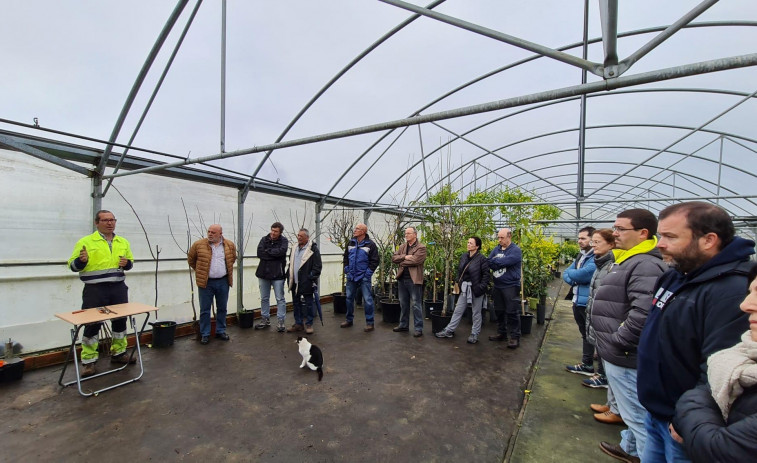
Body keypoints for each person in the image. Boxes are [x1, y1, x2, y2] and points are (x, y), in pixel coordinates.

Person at [637, 201, 755, 462]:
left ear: (708, 240)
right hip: (656, 412)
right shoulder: (675, 275)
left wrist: (685, 420)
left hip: (683, 429)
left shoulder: (732, 290)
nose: (660, 243)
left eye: (670, 236)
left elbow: (719, 367)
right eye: (660, 235)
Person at [592, 209, 667, 462]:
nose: (615, 233)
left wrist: (617, 340)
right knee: (635, 413)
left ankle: (642, 454)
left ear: (642, 233)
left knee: (638, 417)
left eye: (620, 229)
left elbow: (643, 312)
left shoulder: (645, 264)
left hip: (625, 354)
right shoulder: (631, 258)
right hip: (620, 353)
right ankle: (630, 449)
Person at [671, 264, 757, 463]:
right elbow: (705, 389)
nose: (745, 305)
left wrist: (686, 415)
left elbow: (717, 449)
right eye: (750, 292)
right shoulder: (740, 354)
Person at [67, 210, 135, 377]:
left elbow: (130, 263)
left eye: (112, 220)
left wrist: (126, 264)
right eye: (105, 220)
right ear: (97, 223)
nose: (109, 223)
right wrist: (80, 261)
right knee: (92, 323)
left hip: (118, 287)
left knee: (120, 321)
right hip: (95, 290)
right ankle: (89, 361)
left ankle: (119, 353)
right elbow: (72, 266)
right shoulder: (86, 242)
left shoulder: (122, 242)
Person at [583, 229, 623, 426]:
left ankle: (617, 410)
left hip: (611, 324)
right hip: (600, 319)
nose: (593, 245)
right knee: (609, 365)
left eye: (596, 242)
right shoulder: (603, 264)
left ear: (611, 244)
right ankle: (612, 405)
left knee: (617, 371)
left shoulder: (614, 265)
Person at [435, 236, 490, 344]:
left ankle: (474, 334)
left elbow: (486, 275)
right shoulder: (464, 256)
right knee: (458, 310)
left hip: (476, 289)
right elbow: (460, 271)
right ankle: (449, 330)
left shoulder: (482, 259)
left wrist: (480, 288)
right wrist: (459, 282)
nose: (468, 244)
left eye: (471, 243)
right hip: (465, 288)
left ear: (477, 246)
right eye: (468, 242)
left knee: (476, 313)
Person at [188, 224, 236, 345]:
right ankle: (205, 334)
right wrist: (202, 272)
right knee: (204, 309)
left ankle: (220, 331)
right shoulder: (198, 245)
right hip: (206, 282)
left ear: (220, 234)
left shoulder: (229, 245)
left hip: (223, 281)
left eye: (213, 232)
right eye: (209, 231)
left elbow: (232, 259)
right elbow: (191, 260)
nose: (210, 234)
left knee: (222, 308)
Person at [563, 226, 597, 375]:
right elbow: (566, 273)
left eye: (583, 238)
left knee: (590, 334)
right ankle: (587, 362)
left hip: (587, 301)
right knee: (584, 333)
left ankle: (588, 365)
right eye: (579, 238)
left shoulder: (595, 257)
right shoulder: (581, 256)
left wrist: (575, 276)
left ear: (592, 239)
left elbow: (582, 275)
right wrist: (575, 277)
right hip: (577, 299)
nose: (579, 241)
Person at [487, 228, 522, 349]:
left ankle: (514, 337)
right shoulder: (496, 249)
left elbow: (506, 262)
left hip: (510, 286)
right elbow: (489, 262)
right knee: (499, 310)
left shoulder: (515, 250)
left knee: (512, 311)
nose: (499, 240)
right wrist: (497, 262)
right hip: (497, 285)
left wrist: (496, 261)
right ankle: (502, 333)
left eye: (502, 237)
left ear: (509, 236)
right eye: (498, 237)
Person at [340, 223, 379, 332]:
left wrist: (367, 274)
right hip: (351, 275)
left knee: (367, 300)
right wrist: (347, 269)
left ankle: (370, 323)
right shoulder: (351, 243)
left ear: (363, 231)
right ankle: (349, 320)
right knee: (348, 298)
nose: (355, 230)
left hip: (364, 277)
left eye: (357, 229)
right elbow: (346, 257)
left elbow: (375, 260)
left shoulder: (370, 245)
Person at [391, 226, 427, 337]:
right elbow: (394, 258)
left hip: (414, 280)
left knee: (416, 304)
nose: (406, 235)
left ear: (415, 235)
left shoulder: (421, 247)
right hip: (402, 279)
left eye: (408, 233)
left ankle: (418, 328)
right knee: (403, 304)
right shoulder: (403, 246)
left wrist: (402, 261)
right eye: (405, 233)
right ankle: (403, 325)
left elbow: (417, 260)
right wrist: (406, 257)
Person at [286, 228, 322, 335]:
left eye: (301, 236)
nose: (299, 237)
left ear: (307, 237)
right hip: (295, 281)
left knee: (309, 303)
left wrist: (311, 277)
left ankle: (309, 324)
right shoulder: (294, 248)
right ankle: (298, 323)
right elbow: (291, 263)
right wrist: (289, 276)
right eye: (298, 235)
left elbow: (317, 266)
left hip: (307, 282)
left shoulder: (313, 249)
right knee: (296, 303)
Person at [255, 222, 289, 332]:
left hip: (278, 274)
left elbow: (281, 252)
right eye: (272, 230)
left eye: (276, 231)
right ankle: (265, 319)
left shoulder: (284, 241)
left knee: (280, 298)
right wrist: (272, 254)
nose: (273, 233)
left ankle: (280, 321)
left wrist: (268, 252)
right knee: (264, 298)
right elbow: (259, 253)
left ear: (280, 232)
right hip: (263, 273)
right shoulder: (264, 239)